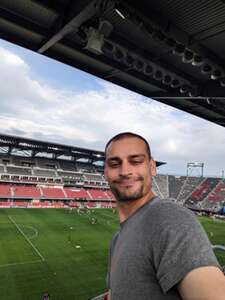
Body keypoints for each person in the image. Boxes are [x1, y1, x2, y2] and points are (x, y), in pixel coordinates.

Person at [104, 132, 225, 300]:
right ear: (106, 172)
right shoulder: (117, 239)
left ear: (152, 167)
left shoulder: (169, 219)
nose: (125, 171)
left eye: (136, 161)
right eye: (114, 163)